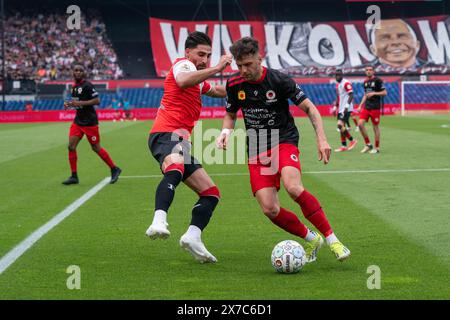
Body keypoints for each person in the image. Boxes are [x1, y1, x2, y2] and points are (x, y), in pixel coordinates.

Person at [217, 37, 350, 263]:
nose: (243, 70)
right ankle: (312, 238)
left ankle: (332, 239)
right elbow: (231, 113)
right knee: (270, 209)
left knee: (293, 187)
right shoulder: (234, 84)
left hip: (283, 139)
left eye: (248, 64)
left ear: (260, 58)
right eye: (239, 65)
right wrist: (225, 133)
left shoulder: (279, 80)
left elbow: (310, 108)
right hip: (257, 147)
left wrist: (322, 139)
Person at [146, 32, 233, 263]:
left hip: (180, 139)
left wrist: (243, 84)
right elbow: (184, 80)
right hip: (166, 133)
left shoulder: (199, 79)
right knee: (175, 168)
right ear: (188, 52)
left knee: (210, 193)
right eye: (200, 54)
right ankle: (158, 220)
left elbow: (217, 91)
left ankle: (193, 236)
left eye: (208, 55)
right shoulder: (182, 65)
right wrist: (217, 67)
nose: (204, 59)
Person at [62, 64, 122, 185]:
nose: (78, 72)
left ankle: (114, 168)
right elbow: (78, 103)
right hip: (78, 121)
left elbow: (97, 101)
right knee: (71, 146)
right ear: (73, 73)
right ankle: (74, 176)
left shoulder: (88, 85)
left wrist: (80, 103)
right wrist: (70, 104)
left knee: (96, 148)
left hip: (90, 122)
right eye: (76, 70)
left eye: (80, 70)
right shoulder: (74, 87)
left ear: (83, 73)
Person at [357, 66, 387, 154]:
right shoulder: (365, 82)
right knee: (360, 124)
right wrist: (360, 106)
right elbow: (365, 94)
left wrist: (374, 93)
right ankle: (368, 144)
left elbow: (385, 93)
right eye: (367, 70)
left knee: (375, 127)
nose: (368, 71)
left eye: (370, 70)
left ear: (373, 71)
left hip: (375, 107)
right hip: (367, 107)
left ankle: (377, 148)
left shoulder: (378, 81)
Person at [333, 69, 357, 152]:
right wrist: (335, 107)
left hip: (346, 108)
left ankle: (352, 140)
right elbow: (339, 97)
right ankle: (343, 145)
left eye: (339, 75)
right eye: (336, 75)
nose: (337, 76)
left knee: (340, 125)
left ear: (342, 75)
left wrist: (346, 106)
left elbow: (351, 95)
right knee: (341, 127)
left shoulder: (346, 83)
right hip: (341, 108)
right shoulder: (338, 85)